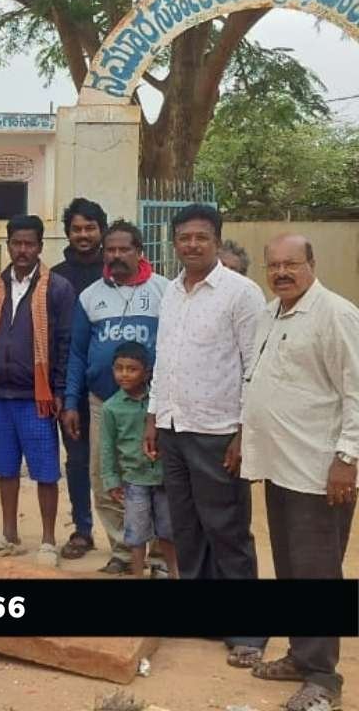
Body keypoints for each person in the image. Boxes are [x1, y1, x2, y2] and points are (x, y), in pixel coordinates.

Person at [143, 203, 268, 668]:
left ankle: (248, 630)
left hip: (218, 430)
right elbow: (164, 361)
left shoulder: (242, 293)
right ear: (174, 242)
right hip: (174, 427)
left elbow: (255, 366)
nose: (192, 244)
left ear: (216, 240)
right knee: (188, 527)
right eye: (184, 237)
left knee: (227, 529)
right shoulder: (171, 292)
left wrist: (243, 432)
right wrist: (153, 416)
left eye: (201, 237)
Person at [243, 234, 358, 711]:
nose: (281, 273)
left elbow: (356, 391)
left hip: (318, 471)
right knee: (291, 568)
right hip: (280, 466)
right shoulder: (271, 313)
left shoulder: (336, 315)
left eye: (292, 264)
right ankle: (300, 654)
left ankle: (323, 678)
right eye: (273, 265)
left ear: (312, 263)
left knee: (317, 574)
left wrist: (347, 459)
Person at [61, 219, 169, 575]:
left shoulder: (164, 291)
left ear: (140, 251)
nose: (117, 255)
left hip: (152, 406)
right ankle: (123, 551)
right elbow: (77, 353)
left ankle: (158, 557)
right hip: (103, 404)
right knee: (104, 475)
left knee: (157, 477)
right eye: (111, 250)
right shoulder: (90, 296)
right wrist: (71, 401)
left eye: (125, 249)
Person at [0, 214, 74, 567]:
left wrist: (59, 390)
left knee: (45, 471)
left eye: (29, 244)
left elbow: (64, 342)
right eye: (16, 243)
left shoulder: (57, 288)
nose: (22, 250)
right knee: (5, 468)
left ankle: (48, 541)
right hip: (0, 394)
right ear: (8, 245)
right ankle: (9, 535)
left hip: (37, 397)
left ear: (40, 247)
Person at [51, 198, 107, 562]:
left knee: (124, 462)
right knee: (77, 461)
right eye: (76, 229)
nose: (83, 235)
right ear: (68, 233)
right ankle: (83, 530)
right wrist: (60, 390)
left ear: (101, 230)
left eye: (90, 228)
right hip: (70, 387)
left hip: (115, 387)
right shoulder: (56, 277)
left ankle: (133, 537)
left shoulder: (115, 271)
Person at [99, 342, 177, 580]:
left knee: (168, 531)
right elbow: (107, 448)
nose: (124, 374)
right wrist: (111, 480)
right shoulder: (111, 408)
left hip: (164, 478)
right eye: (119, 368)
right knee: (136, 534)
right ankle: (137, 574)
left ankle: (174, 573)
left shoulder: (160, 403)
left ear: (147, 372)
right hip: (134, 481)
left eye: (131, 369)